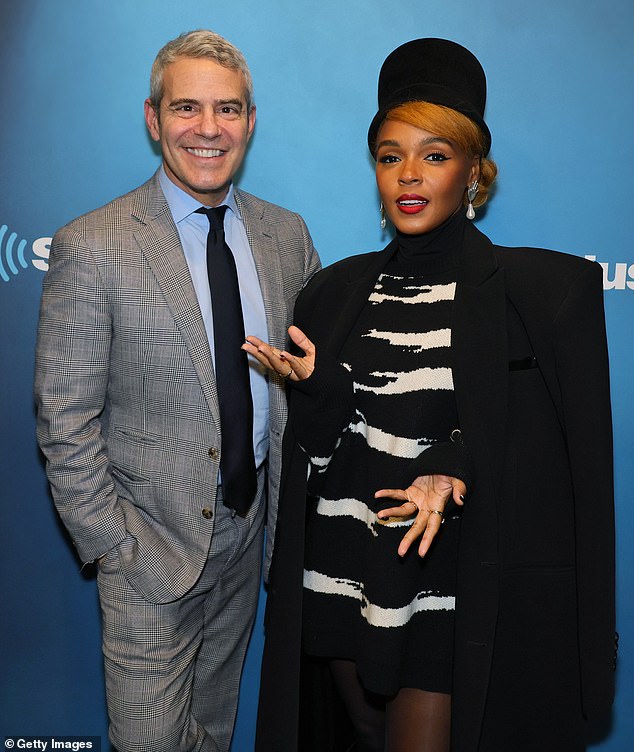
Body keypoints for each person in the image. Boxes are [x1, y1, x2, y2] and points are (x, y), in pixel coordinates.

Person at [249, 39, 615, 752]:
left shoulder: (533, 296)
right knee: (360, 735)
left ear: (473, 171)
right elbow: (322, 455)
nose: (409, 176)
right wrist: (319, 394)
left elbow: (523, 440)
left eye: (435, 154)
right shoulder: (331, 294)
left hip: (444, 583)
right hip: (344, 577)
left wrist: (453, 466)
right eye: (390, 156)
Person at [34, 29, 320, 752]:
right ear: (153, 117)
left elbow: (310, 380)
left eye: (228, 109)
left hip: (250, 533)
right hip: (147, 546)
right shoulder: (94, 244)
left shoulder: (286, 237)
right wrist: (113, 545)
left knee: (213, 731)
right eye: (186, 107)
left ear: (250, 121)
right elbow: (65, 418)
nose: (208, 128)